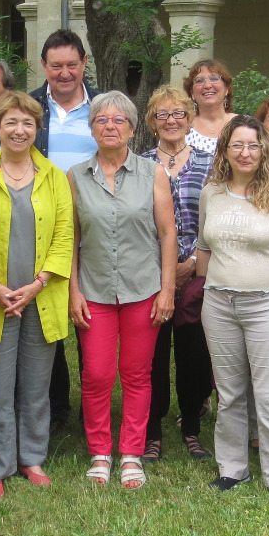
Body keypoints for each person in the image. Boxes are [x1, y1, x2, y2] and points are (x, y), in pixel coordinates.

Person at [0, 90, 73, 499]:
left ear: (37, 128)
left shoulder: (54, 176)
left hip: (40, 296)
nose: (19, 129)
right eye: (10, 122)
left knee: (35, 383)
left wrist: (39, 283)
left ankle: (31, 457)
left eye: (27, 122)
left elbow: (64, 238)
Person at [69, 91, 177, 488]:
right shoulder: (76, 176)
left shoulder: (153, 174)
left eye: (118, 121)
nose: (110, 126)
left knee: (136, 374)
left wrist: (167, 290)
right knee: (96, 374)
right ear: (92, 128)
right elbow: (71, 240)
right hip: (94, 289)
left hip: (143, 288)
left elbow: (168, 235)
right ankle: (100, 450)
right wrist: (72, 291)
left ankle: (131, 453)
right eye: (101, 120)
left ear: (132, 129)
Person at [195, 115, 269, 509]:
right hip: (219, 304)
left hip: (267, 305)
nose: (245, 153)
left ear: (264, 150)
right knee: (230, 392)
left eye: (253, 145)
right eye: (237, 145)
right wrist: (206, 284)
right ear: (224, 150)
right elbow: (204, 250)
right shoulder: (212, 193)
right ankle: (232, 468)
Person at [28, 30, 101, 431]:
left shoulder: (103, 107)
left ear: (84, 63)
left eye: (72, 64)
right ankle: (55, 411)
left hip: (95, 228)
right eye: (56, 66)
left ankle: (95, 409)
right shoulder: (31, 107)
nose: (64, 72)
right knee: (48, 322)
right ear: (44, 66)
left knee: (95, 320)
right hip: (44, 227)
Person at [140, 85, 215, 462]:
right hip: (148, 272)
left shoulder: (211, 162)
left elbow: (217, 218)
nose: (171, 121)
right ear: (152, 122)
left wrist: (193, 265)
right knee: (151, 356)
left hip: (197, 270)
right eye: (162, 115)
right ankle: (151, 432)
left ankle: (190, 427)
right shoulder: (138, 163)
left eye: (178, 114)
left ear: (189, 119)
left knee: (194, 354)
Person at [183, 59, 236, 156]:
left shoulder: (244, 124)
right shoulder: (182, 128)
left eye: (214, 79)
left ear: (226, 89)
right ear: (192, 93)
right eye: (199, 81)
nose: (207, 85)